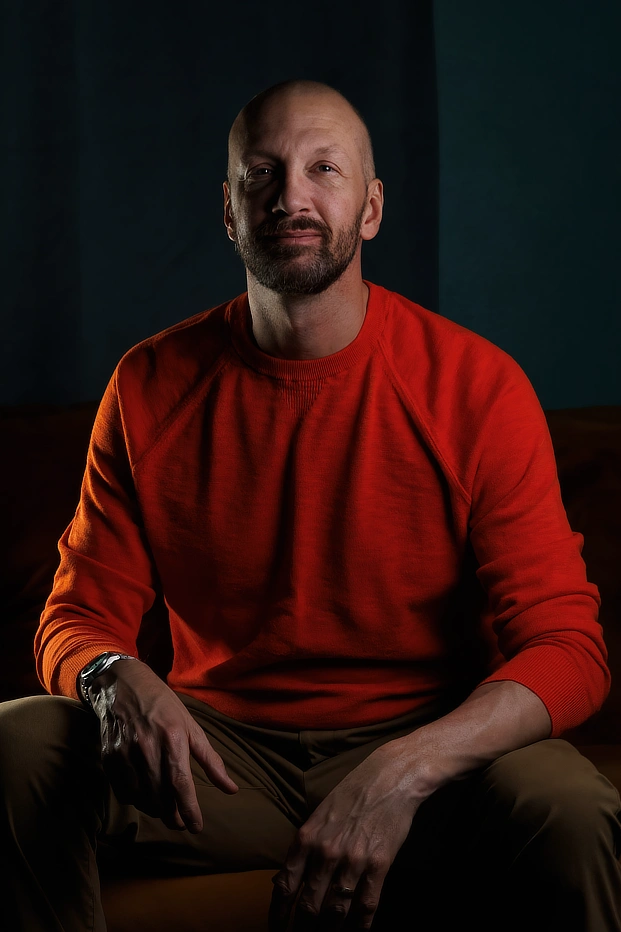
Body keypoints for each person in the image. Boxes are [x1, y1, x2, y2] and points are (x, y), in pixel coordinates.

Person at [0, 77, 620, 932]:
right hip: (219, 764)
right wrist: (111, 675)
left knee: (567, 802)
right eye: (263, 173)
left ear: (369, 209)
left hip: (424, 747)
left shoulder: (477, 387)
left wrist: (404, 769)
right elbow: (74, 619)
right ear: (228, 210)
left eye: (323, 169)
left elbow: (567, 648)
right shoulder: (147, 385)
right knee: (19, 738)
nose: (291, 196)